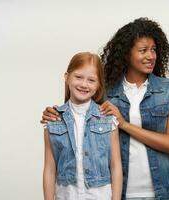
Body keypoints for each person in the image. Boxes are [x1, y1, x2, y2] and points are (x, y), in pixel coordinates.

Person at [42, 18, 169, 200]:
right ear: (127, 54)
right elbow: (78, 114)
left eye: (153, 50)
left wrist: (124, 124)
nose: (150, 56)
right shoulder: (107, 92)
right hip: (121, 191)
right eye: (143, 50)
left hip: (163, 191)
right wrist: (54, 113)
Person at [43, 52, 122, 200]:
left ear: (99, 85)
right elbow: (49, 168)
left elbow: (116, 165)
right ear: (67, 77)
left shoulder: (107, 119)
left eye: (91, 80)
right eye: (78, 77)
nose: (84, 84)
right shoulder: (53, 119)